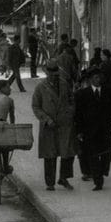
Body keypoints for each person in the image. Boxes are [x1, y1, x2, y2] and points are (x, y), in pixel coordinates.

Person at [31, 60, 75, 191]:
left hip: (64, 124)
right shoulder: (40, 87)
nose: (54, 76)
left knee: (67, 152)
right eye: (51, 74)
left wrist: (70, 113)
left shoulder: (64, 84)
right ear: (47, 74)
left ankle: (64, 178)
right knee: (50, 154)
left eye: (56, 74)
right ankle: (50, 183)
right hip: (48, 126)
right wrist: (46, 119)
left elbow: (72, 100)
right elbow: (35, 106)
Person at [75, 66, 111, 189]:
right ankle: (98, 181)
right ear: (91, 79)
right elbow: (78, 114)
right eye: (96, 77)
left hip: (105, 130)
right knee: (93, 156)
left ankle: (102, 171)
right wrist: (79, 131)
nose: (99, 79)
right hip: (90, 131)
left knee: (108, 153)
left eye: (100, 77)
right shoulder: (82, 94)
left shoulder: (108, 91)